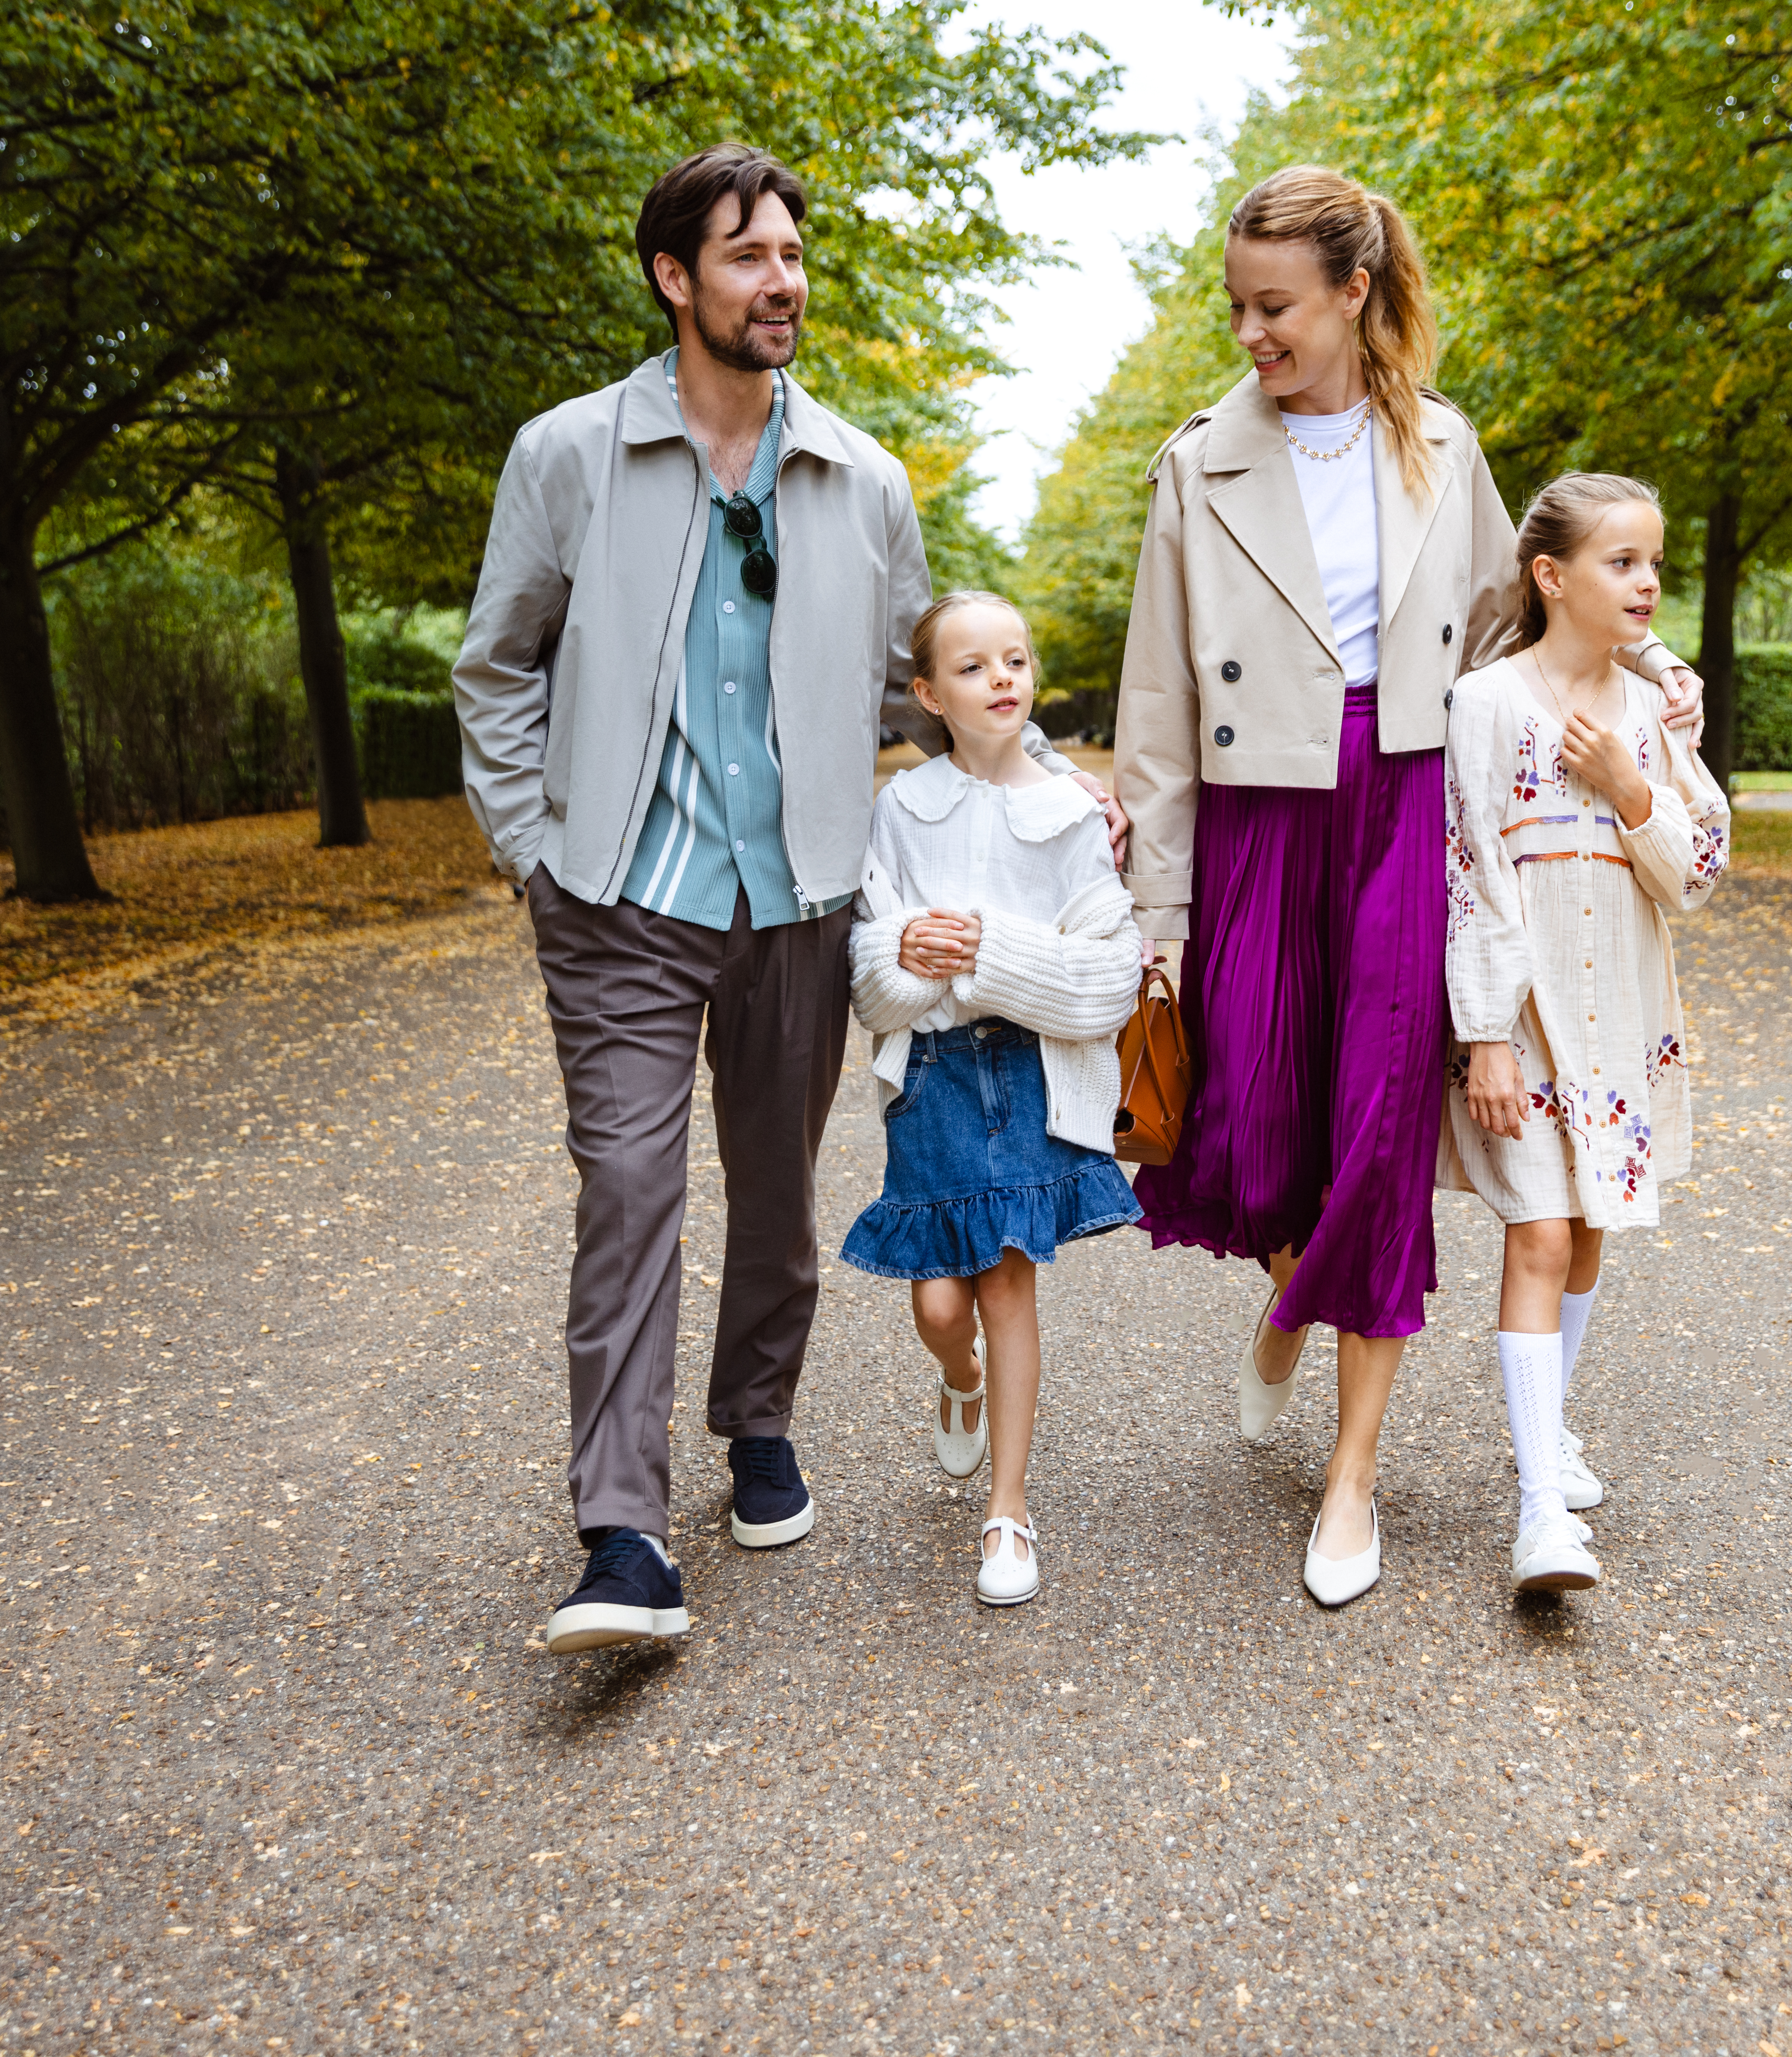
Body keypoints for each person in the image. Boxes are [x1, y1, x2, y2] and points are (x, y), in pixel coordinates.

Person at [451, 145, 1111, 1654]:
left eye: (793, 253)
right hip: (617, 892)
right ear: (673, 278)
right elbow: (497, 665)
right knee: (627, 1190)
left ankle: (758, 1429)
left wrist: (1058, 779)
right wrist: (528, 848)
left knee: (774, 1192)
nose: (782, 280)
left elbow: (933, 679)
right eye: (746, 255)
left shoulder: (862, 482)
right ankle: (620, 1534)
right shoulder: (567, 456)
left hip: (801, 897)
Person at [1112, 164, 1703, 1608]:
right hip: (1260, 817)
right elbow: (1156, 705)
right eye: (1237, 306)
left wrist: (1646, 686)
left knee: (1379, 1140)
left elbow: (1524, 621)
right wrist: (1161, 920)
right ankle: (1288, 1300)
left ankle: (1352, 1478)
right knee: (1254, 1142)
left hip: (1408, 804)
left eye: (1277, 306)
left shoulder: (1448, 445)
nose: (1251, 331)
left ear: (1354, 293)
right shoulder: (1199, 463)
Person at [1442, 474, 1730, 1595]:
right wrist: (1486, 1037)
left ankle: (1548, 1427)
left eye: (1656, 562)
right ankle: (1538, 1515)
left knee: (1595, 1228)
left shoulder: (1654, 716)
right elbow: (1464, 873)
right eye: (1623, 562)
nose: (1649, 582)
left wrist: (1632, 788)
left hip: (1626, 1026)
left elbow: (1698, 876)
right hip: (1527, 1019)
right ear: (1551, 577)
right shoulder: (1488, 705)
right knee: (1542, 1239)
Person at [840, 592, 1145, 1606]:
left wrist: (986, 954)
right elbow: (872, 977)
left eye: (1016, 660)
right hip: (929, 1079)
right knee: (939, 1302)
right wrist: (909, 956)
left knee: (1008, 1287)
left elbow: (1106, 980)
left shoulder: (1070, 815)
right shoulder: (901, 809)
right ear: (929, 694)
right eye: (973, 668)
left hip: (1028, 1075)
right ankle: (959, 1377)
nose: (1003, 679)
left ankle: (1008, 1513)